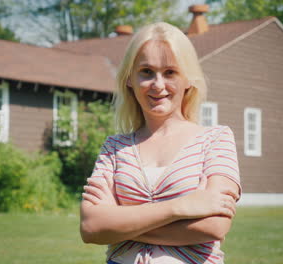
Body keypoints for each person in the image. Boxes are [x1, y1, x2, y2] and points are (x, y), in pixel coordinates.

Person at [80, 22, 241, 264]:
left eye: (170, 72)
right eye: (146, 71)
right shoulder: (114, 148)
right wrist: (180, 207)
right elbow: (91, 228)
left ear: (189, 79)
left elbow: (214, 225)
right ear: (129, 79)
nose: (158, 85)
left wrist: (119, 225)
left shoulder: (216, 140)